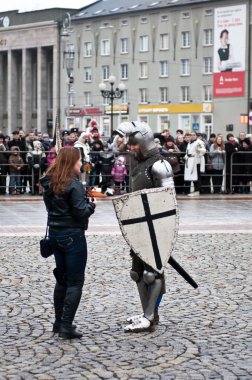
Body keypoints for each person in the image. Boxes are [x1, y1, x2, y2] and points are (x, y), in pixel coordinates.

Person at [116, 121, 174, 333]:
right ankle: (147, 314)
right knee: (137, 273)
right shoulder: (139, 164)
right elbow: (116, 147)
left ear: (144, 143)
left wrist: (161, 234)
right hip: (139, 228)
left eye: (133, 144)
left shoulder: (160, 166)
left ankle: (150, 317)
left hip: (155, 230)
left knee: (153, 274)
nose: (129, 148)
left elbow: (168, 204)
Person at [40, 147, 96, 339]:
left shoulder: (49, 182)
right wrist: (91, 206)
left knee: (62, 280)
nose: (81, 163)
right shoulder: (73, 184)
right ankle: (66, 326)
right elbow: (81, 212)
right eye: (79, 160)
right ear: (71, 162)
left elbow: (51, 208)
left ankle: (58, 323)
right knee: (75, 281)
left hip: (55, 235)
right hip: (73, 236)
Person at [184, 132, 206, 196]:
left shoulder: (199, 142)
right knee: (192, 176)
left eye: (194, 135)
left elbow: (204, 150)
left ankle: (197, 190)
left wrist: (198, 150)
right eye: (191, 135)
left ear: (196, 136)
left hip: (196, 161)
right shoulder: (189, 143)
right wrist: (186, 156)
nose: (192, 136)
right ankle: (194, 190)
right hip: (189, 161)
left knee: (197, 176)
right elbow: (187, 151)